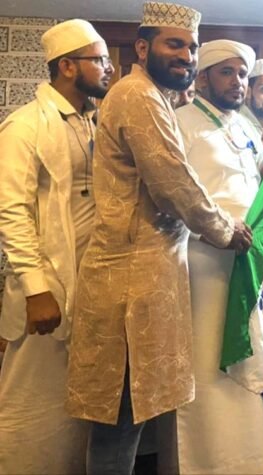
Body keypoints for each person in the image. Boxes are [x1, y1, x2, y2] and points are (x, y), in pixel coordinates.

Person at [65, 3, 253, 474]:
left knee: (130, 411)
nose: (186, 55)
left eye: (191, 47)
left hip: (148, 276)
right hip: (129, 282)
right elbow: (174, 183)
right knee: (120, 413)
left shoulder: (154, 96)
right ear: (143, 48)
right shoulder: (138, 96)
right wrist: (225, 230)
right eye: (174, 44)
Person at [0, 19, 113, 474]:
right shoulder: (24, 126)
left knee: (77, 405)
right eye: (99, 60)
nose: (108, 68)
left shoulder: (93, 120)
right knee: (30, 405)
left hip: (92, 285)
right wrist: (36, 289)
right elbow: (11, 211)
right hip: (46, 291)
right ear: (67, 66)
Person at [170, 39, 263, 474]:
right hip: (203, 260)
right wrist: (215, 231)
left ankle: (247, 461)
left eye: (242, 74)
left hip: (246, 261)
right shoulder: (179, 123)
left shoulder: (245, 126)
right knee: (208, 361)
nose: (237, 82)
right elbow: (172, 194)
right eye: (227, 72)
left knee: (247, 354)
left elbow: (253, 187)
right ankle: (206, 463)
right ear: (203, 77)